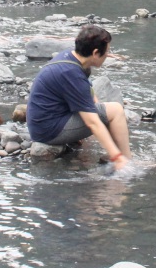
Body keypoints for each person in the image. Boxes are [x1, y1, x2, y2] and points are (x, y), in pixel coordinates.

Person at [26, 25, 132, 170]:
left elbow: (86, 91)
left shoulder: (71, 57)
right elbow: (93, 123)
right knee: (116, 110)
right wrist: (116, 156)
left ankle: (115, 155)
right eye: (107, 52)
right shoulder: (71, 73)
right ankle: (125, 160)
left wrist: (100, 113)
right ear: (95, 53)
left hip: (44, 121)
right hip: (48, 130)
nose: (108, 55)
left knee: (104, 111)